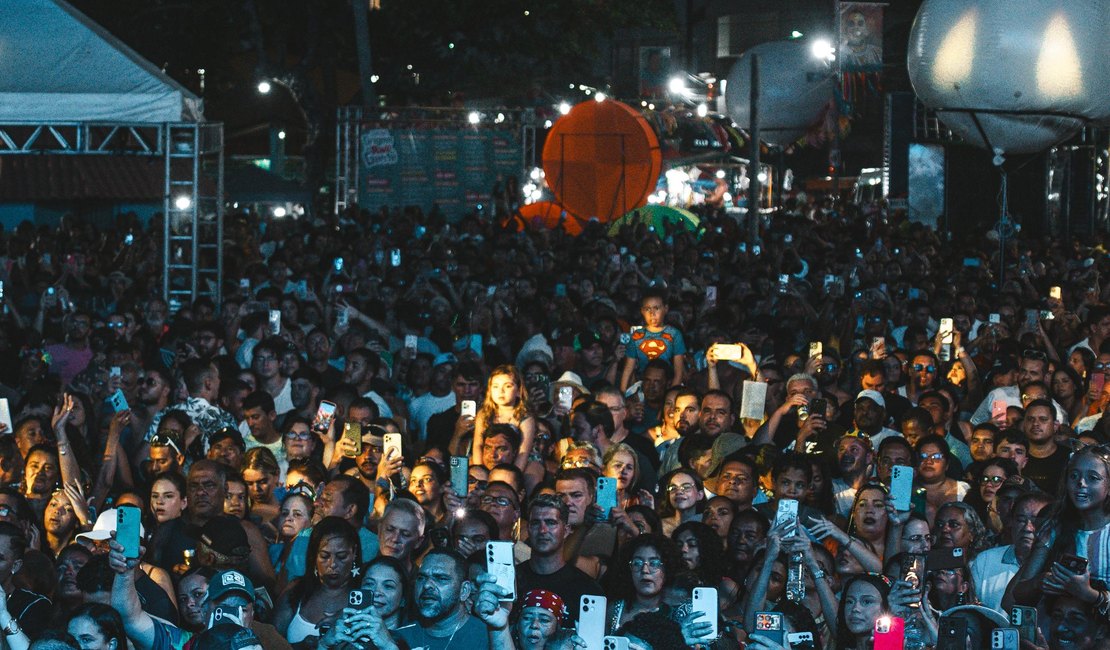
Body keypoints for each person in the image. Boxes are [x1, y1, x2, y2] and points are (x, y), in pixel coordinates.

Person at [272, 517, 361, 645]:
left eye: (341, 557)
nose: (333, 564)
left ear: (354, 553)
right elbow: (270, 641)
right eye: (325, 556)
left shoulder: (363, 592)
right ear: (314, 555)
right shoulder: (297, 591)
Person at [515, 493, 603, 620]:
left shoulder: (587, 589)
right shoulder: (512, 581)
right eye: (535, 523)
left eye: (551, 523)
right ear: (528, 529)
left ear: (566, 530)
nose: (542, 530)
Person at [471, 366, 537, 472]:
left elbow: (523, 451)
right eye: (496, 386)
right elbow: (478, 445)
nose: (501, 391)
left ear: (518, 391)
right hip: (489, 458)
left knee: (533, 471)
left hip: (520, 462)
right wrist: (480, 470)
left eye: (507, 386)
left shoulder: (525, 417)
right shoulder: (484, 414)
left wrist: (513, 475)